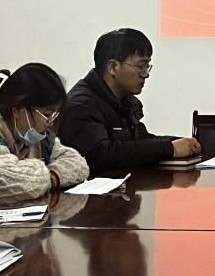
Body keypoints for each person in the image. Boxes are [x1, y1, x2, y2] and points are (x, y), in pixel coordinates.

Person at [0, 63, 88, 220]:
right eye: (46, 114)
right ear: (17, 109)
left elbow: (77, 164)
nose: (50, 123)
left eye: (54, 115)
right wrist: (50, 175)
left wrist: (48, 177)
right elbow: (23, 184)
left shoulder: (29, 133)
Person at [58, 29, 201, 174]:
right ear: (113, 67)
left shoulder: (125, 101)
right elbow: (101, 155)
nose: (146, 74)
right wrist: (170, 148)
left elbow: (139, 141)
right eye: (140, 66)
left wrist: (178, 142)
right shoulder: (82, 105)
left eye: (147, 66)